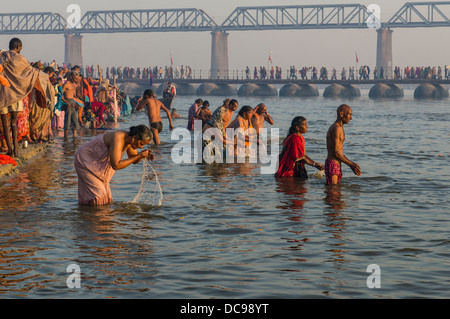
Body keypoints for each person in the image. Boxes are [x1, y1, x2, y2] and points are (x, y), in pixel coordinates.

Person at [74, 125, 155, 206]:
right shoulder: (118, 137)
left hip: (97, 163)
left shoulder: (130, 140)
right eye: (141, 143)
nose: (141, 147)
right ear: (134, 138)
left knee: (107, 199)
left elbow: (133, 160)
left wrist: (144, 156)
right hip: (85, 160)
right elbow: (116, 165)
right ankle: (96, 217)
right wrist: (139, 155)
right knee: (99, 196)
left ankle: (85, 215)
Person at [325, 104, 361, 185]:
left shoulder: (339, 127)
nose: (351, 118)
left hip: (336, 164)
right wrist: (351, 164)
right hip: (333, 164)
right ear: (341, 114)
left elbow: (339, 152)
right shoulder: (336, 128)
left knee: (336, 193)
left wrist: (351, 163)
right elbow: (336, 153)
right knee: (333, 192)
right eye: (349, 115)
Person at [61, 71, 82, 138]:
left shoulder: (72, 85)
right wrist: (66, 103)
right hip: (68, 103)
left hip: (72, 103)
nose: (76, 80)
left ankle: (74, 136)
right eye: (75, 78)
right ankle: (66, 137)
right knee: (67, 120)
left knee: (75, 121)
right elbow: (61, 96)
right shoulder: (66, 84)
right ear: (71, 77)